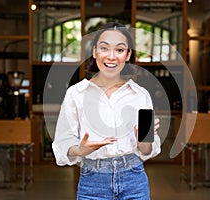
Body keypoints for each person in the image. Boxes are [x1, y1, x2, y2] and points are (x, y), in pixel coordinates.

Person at [52, 22, 161, 200]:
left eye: (119, 50)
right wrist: (80, 150)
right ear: (95, 52)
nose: (111, 56)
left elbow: (148, 149)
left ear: (128, 55)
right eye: (104, 48)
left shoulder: (141, 95)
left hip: (134, 179)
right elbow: (62, 142)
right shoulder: (76, 94)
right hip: (92, 181)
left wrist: (143, 141)